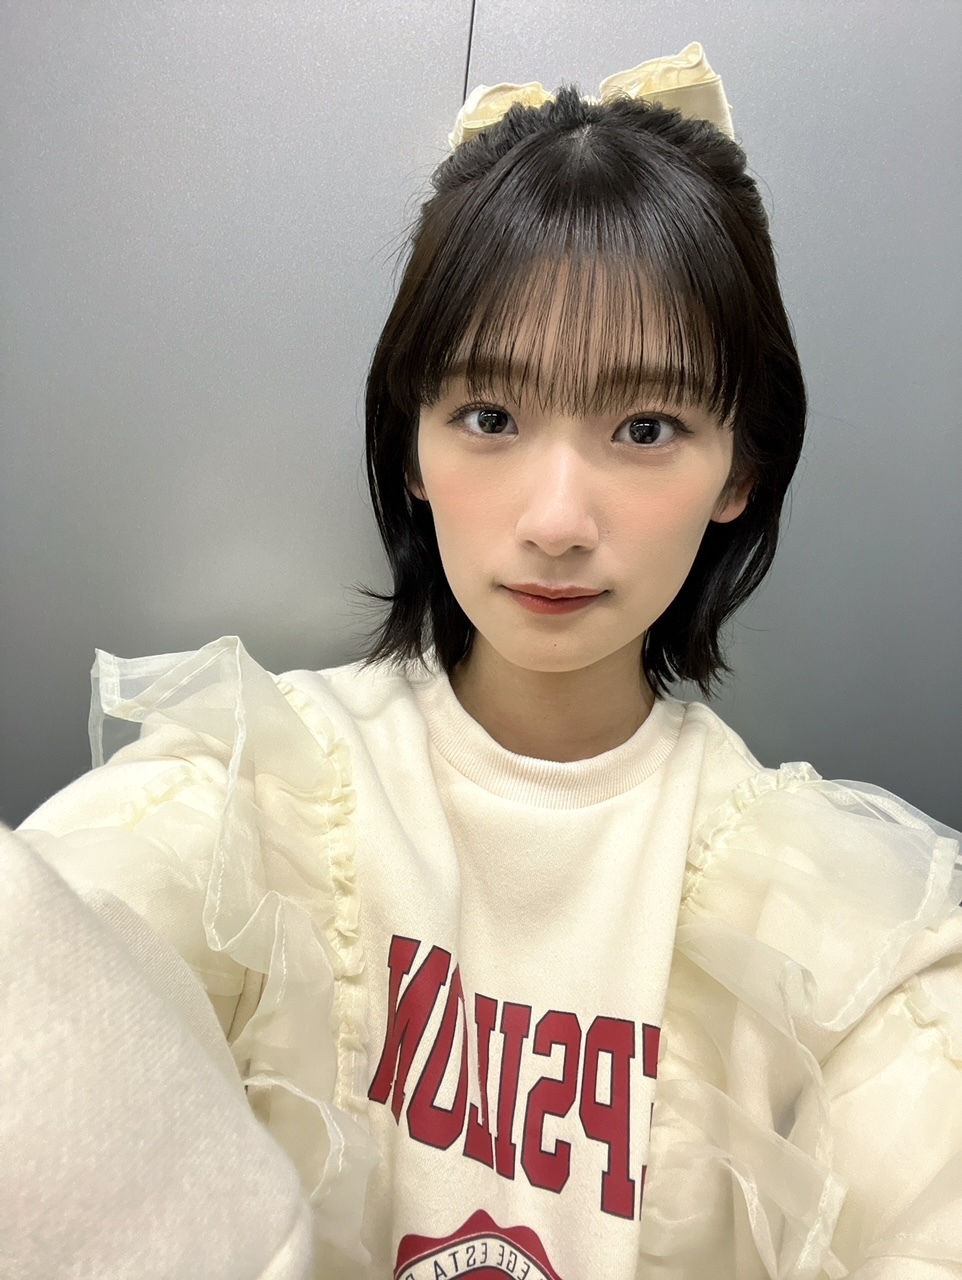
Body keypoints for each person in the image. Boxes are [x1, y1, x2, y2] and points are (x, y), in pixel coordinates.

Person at [3, 42, 961, 1280]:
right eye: (489, 416)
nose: (555, 519)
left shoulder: (824, 914)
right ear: (409, 444)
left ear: (740, 468)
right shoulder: (261, 798)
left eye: (645, 425)